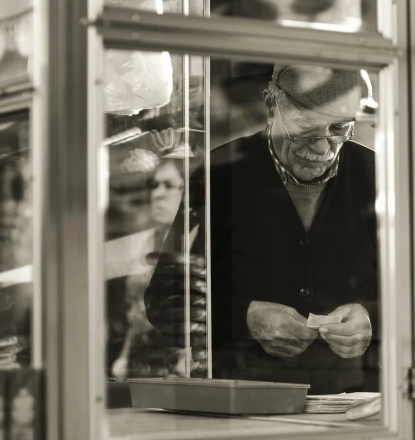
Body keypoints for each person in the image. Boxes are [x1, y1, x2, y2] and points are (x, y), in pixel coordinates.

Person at [145, 64, 379, 394]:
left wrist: (372, 317)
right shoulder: (220, 175)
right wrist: (246, 317)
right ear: (271, 108)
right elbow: (165, 299)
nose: (323, 149)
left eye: (339, 129)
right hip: (247, 398)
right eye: (306, 128)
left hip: (358, 401)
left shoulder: (377, 176)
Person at [107, 158, 189, 381]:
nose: (157, 194)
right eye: (154, 185)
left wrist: (190, 361)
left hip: (179, 366)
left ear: (187, 191)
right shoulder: (145, 243)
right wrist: (124, 357)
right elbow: (135, 311)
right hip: (141, 361)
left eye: (169, 185)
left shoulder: (199, 242)